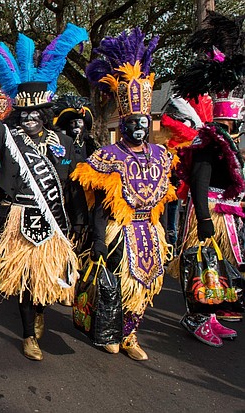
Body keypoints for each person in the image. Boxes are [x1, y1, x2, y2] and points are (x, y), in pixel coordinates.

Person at [0, 24, 88, 360]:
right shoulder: (8, 139)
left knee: (45, 279)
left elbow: (72, 184)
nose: (31, 119)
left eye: (37, 115)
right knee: (22, 279)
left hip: (55, 217)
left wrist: (78, 221)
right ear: (20, 114)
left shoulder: (61, 143)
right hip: (19, 218)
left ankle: (40, 312)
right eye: (26, 114)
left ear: (45, 115)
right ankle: (26, 334)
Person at [74, 28, 176, 360]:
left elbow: (165, 197)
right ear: (124, 121)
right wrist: (99, 238)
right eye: (131, 121)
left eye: (143, 121)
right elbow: (99, 203)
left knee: (143, 289)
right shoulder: (108, 156)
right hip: (120, 232)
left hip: (150, 231)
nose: (138, 127)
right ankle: (107, 332)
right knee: (114, 286)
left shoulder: (162, 156)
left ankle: (130, 335)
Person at [172, 12, 245, 345]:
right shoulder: (208, 139)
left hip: (224, 212)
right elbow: (200, 181)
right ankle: (195, 317)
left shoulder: (227, 139)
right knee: (200, 265)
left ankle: (212, 317)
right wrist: (203, 218)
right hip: (207, 211)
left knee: (218, 268)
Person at [53, 94, 97, 161]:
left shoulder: (90, 144)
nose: (77, 125)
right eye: (72, 122)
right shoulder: (60, 143)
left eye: (80, 122)